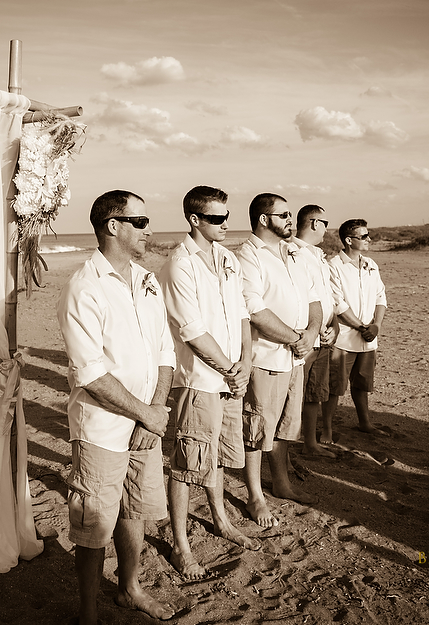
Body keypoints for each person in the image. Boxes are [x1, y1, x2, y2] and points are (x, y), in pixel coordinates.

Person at [56, 191, 175, 624]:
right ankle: (88, 612)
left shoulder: (146, 280)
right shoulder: (83, 288)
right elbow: (90, 374)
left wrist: (155, 410)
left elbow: (164, 350)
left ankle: (130, 588)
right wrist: (146, 414)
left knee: (134, 510)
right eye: (140, 222)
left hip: (147, 422)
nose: (149, 229)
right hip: (102, 429)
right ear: (113, 226)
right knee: (94, 524)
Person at [157, 186, 259, 580]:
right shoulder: (178, 265)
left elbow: (242, 314)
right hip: (198, 379)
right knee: (187, 463)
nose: (225, 223)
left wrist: (245, 361)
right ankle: (181, 545)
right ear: (194, 219)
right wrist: (231, 369)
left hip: (231, 376)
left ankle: (221, 518)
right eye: (216, 218)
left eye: (226, 216)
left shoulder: (227, 258)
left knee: (215, 455)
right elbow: (192, 331)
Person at [236, 194, 322, 528]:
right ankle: (255, 496)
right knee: (257, 429)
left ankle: (282, 483)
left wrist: (311, 333)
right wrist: (296, 339)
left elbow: (314, 298)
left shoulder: (294, 252)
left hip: (296, 358)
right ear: (263, 219)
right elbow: (254, 310)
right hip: (267, 357)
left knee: (286, 425)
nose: (290, 219)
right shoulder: (247, 255)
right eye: (283, 214)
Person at [326, 219, 389, 438]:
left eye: (368, 235)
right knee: (334, 387)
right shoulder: (333, 265)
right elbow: (338, 303)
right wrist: (363, 327)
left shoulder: (371, 264)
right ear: (348, 240)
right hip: (343, 339)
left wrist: (376, 326)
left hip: (369, 338)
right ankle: (327, 430)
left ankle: (365, 423)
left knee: (362, 384)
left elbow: (381, 296)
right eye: (363, 236)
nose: (368, 239)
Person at [292, 205, 340, 457]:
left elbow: (326, 297)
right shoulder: (293, 253)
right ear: (313, 223)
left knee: (314, 393)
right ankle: (284, 448)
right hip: (305, 337)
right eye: (325, 223)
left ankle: (310, 443)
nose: (327, 229)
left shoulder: (318, 255)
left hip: (324, 337)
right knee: (293, 396)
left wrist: (334, 326)